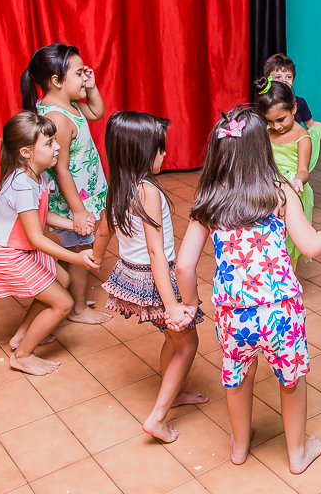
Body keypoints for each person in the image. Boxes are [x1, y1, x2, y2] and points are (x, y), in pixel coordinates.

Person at [174, 105, 321, 474]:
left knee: (238, 377)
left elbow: (184, 266)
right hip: (281, 312)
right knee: (291, 380)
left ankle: (239, 445)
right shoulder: (280, 193)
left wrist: (189, 304)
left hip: (233, 315)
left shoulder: (210, 199)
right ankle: (297, 453)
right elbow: (311, 244)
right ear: (262, 149)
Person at [91, 112, 205, 443]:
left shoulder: (118, 185)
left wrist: (96, 256)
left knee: (174, 340)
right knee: (187, 343)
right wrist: (171, 305)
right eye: (160, 148)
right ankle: (158, 417)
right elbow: (156, 253)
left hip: (131, 276)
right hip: (155, 281)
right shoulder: (148, 191)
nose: (165, 154)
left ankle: (174, 391)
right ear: (142, 152)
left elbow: (104, 229)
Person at [0, 112, 100, 376]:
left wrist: (74, 224)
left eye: (55, 140)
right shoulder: (21, 184)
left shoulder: (36, 174)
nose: (58, 147)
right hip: (7, 254)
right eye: (49, 143)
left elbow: (41, 215)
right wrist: (76, 258)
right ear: (25, 152)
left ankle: (22, 335)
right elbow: (36, 237)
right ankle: (22, 356)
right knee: (63, 303)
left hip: (20, 249)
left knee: (63, 279)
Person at [21, 43, 111, 325]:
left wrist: (91, 87)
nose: (85, 77)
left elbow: (96, 112)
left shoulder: (66, 105)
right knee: (80, 249)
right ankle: (77, 308)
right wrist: (79, 211)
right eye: (79, 73)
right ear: (56, 81)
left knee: (78, 247)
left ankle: (72, 297)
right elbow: (60, 170)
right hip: (73, 199)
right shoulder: (57, 118)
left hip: (85, 192)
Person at [256, 76, 321, 266]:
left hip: (292, 189)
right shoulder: (267, 133)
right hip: (269, 188)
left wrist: (298, 180)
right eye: (270, 121)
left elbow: (303, 171)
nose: (276, 126)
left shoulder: (302, 137)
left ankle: (286, 275)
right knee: (266, 236)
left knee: (287, 238)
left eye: (280, 119)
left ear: (293, 108)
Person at [263, 54, 314, 127]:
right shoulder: (264, 103)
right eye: (278, 77)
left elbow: (311, 124)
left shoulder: (300, 102)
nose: (284, 81)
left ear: (293, 81)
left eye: (288, 77)